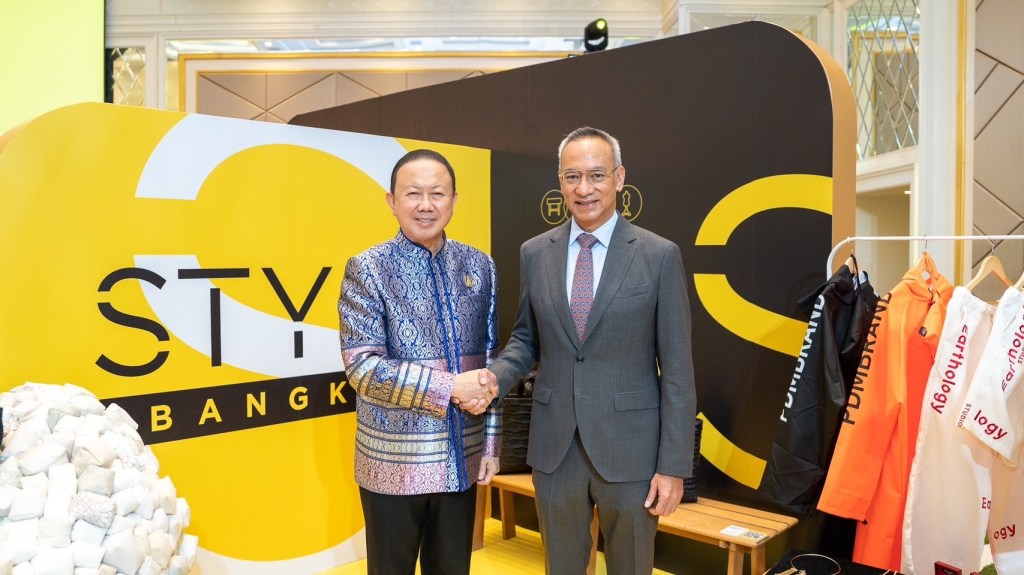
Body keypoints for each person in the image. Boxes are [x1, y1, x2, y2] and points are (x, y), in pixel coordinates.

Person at [485, 126, 697, 574]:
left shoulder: (659, 255)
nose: (584, 189)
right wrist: (493, 379)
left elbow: (678, 370)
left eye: (597, 175)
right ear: (560, 182)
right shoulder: (534, 253)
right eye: (572, 176)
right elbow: (526, 339)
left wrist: (674, 466)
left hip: (632, 452)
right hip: (555, 448)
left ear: (619, 178)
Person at [338, 148, 500, 575]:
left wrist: (490, 444)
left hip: (461, 459)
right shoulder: (368, 268)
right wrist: (449, 387)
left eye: (437, 193)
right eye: (413, 194)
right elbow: (362, 367)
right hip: (391, 462)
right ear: (392, 201)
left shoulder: (480, 265)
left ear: (454, 200)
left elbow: (491, 359)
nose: (426, 205)